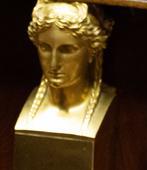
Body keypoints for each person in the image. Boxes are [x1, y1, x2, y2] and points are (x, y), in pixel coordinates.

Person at [25, 0, 113, 132]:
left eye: (66, 50)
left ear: (92, 51)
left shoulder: (109, 104)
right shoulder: (28, 109)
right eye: (45, 48)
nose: (54, 63)